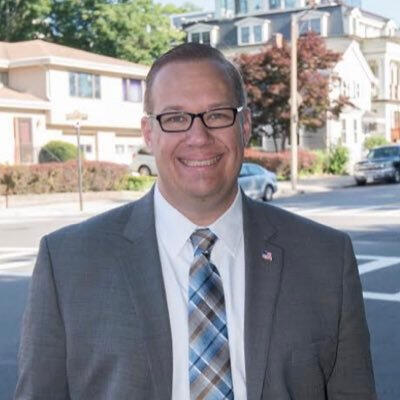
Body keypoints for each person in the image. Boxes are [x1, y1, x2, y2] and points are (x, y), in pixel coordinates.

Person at [15, 43, 377, 400]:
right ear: (148, 133)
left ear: (245, 125)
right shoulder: (67, 263)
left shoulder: (327, 258)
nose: (198, 137)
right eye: (175, 118)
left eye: (217, 114)